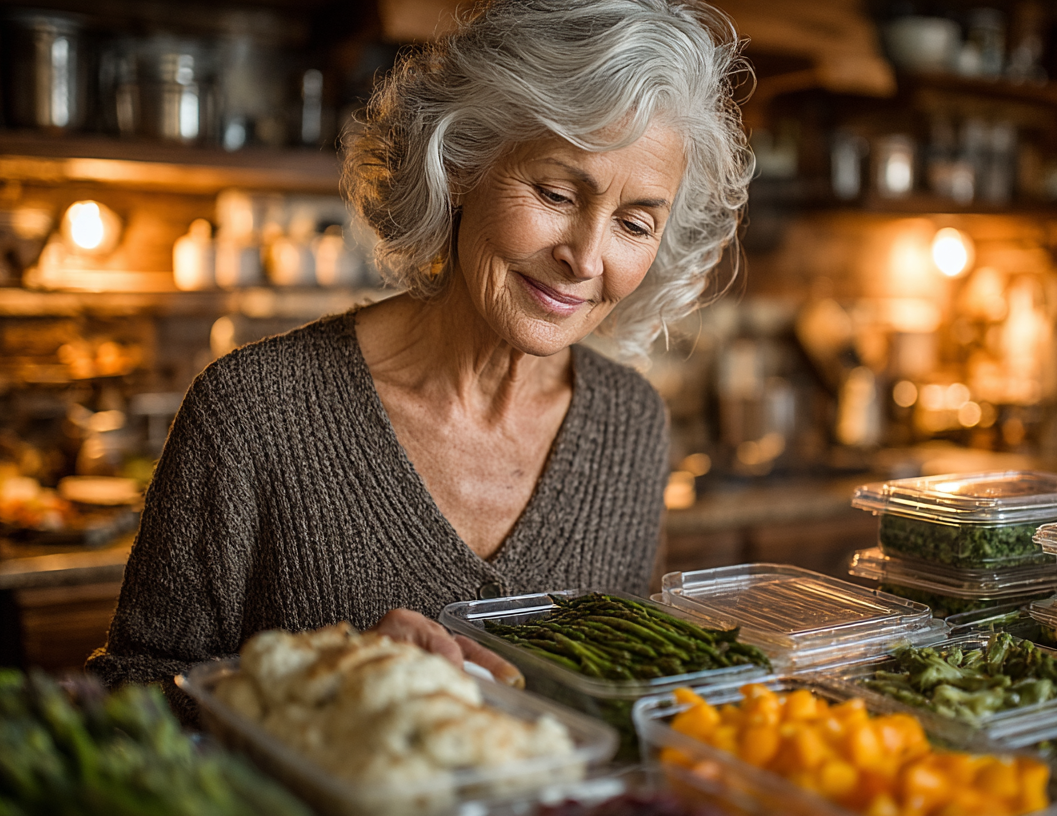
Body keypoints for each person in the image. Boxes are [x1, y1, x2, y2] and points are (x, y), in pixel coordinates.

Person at [87, 0, 752, 718]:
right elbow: (128, 702)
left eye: (635, 223)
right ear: (460, 163)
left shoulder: (630, 422)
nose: (587, 258)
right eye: (556, 193)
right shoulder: (251, 414)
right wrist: (329, 682)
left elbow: (637, 709)